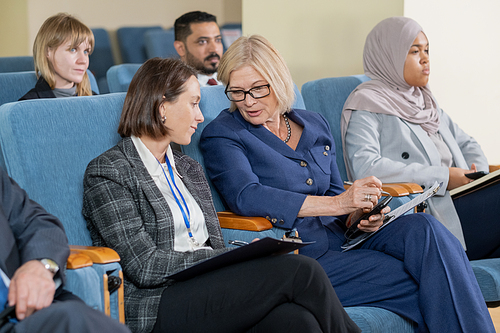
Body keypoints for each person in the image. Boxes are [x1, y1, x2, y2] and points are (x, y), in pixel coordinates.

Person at [199, 34, 495, 332]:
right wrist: (339, 203)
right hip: (303, 254)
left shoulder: (312, 122)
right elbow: (247, 196)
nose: (248, 101)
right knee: (431, 276)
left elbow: (334, 191)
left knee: (426, 229)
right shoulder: (223, 134)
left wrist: (359, 215)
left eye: (258, 89)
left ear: (277, 81)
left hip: (346, 237)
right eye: (237, 92)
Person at [82, 57, 360, 333]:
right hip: (158, 303)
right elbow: (145, 266)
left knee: (298, 321)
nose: (200, 116)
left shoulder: (188, 168)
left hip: (209, 286)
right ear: (162, 106)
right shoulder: (109, 171)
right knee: (303, 270)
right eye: (193, 104)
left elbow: (212, 244)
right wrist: (227, 258)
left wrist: (235, 256)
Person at [340, 16, 498, 261]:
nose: (425, 59)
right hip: (431, 211)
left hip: (460, 199)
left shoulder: (424, 101)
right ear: (389, 54)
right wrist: (444, 177)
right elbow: (366, 167)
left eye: (427, 50)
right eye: (414, 51)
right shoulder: (367, 103)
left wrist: (476, 177)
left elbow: (467, 143)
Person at [0, 167, 130, 333]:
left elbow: (39, 223)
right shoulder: (108, 169)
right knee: (76, 319)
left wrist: (41, 264)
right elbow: (141, 264)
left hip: (35, 307)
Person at [19, 13, 95, 100]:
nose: (83, 60)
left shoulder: (97, 101)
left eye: (86, 51)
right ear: (48, 52)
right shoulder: (27, 106)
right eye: (73, 50)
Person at [173, 11, 223, 87]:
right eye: (202, 42)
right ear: (181, 48)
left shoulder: (232, 81)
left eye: (218, 40)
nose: (214, 49)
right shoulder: (174, 89)